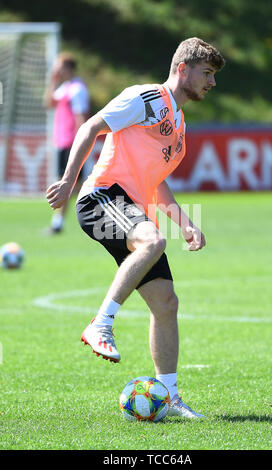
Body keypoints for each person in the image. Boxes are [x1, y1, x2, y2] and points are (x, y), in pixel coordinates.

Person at [46, 37, 225, 418]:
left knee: (166, 303)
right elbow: (93, 126)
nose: (212, 83)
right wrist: (68, 180)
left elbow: (158, 183)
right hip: (101, 198)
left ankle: (170, 396)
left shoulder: (177, 123)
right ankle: (101, 324)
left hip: (130, 210)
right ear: (183, 69)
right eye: (207, 74)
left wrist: (188, 225)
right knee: (153, 240)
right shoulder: (146, 98)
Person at [45, 52, 90, 233]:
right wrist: (52, 81)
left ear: (68, 68)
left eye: (59, 66)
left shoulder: (77, 89)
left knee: (68, 184)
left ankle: (58, 224)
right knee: (72, 184)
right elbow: (49, 103)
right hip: (63, 142)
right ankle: (60, 222)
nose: (56, 69)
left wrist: (81, 143)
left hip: (73, 143)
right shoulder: (64, 87)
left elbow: (81, 119)